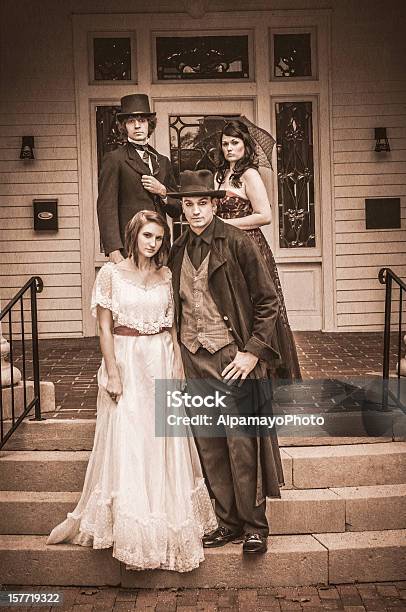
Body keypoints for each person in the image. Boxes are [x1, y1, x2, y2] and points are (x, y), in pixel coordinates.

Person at [47, 210, 217, 572]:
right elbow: (105, 330)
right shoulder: (111, 274)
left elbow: (171, 330)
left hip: (160, 361)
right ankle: (132, 538)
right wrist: (112, 372)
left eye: (158, 238)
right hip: (125, 362)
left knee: (161, 443)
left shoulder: (166, 275)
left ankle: (164, 530)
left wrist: (178, 371)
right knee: (130, 443)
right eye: (147, 236)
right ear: (133, 235)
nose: (153, 244)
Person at [167, 170, 284, 555]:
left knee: (240, 443)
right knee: (210, 444)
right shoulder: (178, 247)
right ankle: (228, 523)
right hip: (193, 357)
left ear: (215, 204)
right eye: (188, 204)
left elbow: (268, 301)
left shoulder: (237, 243)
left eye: (202, 203)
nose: (196, 211)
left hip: (232, 357)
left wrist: (251, 352)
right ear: (181, 208)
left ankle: (254, 527)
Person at [215, 119, 301, 381]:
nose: (229, 148)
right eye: (225, 144)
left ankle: (269, 372)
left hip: (250, 245)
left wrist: (226, 224)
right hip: (227, 246)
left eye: (235, 143)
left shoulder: (249, 174)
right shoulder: (222, 175)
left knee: (258, 304)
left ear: (245, 146)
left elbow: (265, 215)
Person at [97, 94, 180, 264]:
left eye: (141, 120)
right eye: (131, 121)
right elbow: (106, 206)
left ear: (150, 124)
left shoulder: (162, 161)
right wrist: (113, 250)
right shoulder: (115, 159)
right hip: (130, 246)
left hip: (160, 247)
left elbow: (177, 209)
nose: (137, 126)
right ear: (124, 127)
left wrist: (162, 191)